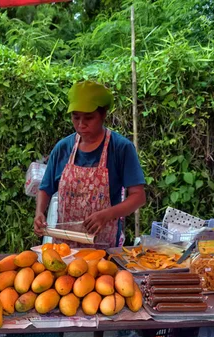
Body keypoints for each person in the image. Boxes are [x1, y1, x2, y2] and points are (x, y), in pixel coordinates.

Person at [34, 80, 146, 247]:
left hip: (103, 247)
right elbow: (45, 188)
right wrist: (39, 213)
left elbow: (138, 197)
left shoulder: (120, 148)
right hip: (65, 248)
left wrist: (107, 214)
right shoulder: (63, 148)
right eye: (75, 117)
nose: (81, 124)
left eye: (89, 118)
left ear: (103, 115)